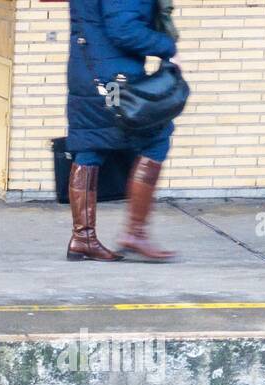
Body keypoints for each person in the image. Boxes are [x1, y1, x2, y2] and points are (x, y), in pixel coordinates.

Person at [65, 0, 178, 262]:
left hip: (88, 74)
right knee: (156, 139)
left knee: (90, 147)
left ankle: (83, 238)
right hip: (115, 82)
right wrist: (167, 46)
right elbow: (124, 30)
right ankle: (135, 233)